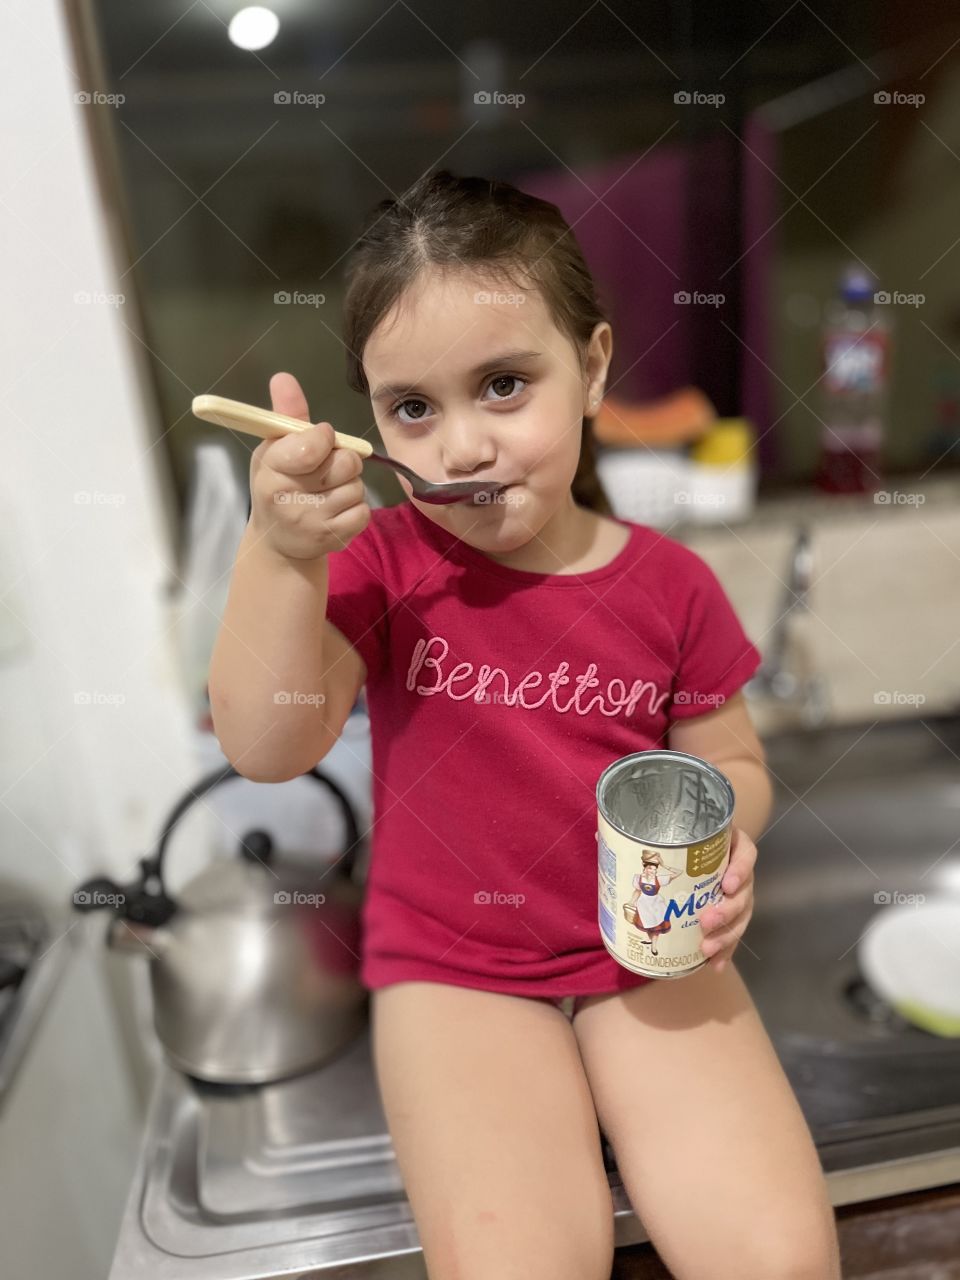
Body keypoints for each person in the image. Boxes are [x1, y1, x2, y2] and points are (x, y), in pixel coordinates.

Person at [209, 170, 841, 1280]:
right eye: (413, 407)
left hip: (650, 944)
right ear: (370, 417)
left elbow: (730, 757)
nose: (459, 447)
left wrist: (728, 836)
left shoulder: (671, 586)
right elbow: (268, 745)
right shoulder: (383, 568)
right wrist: (280, 553)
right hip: (454, 971)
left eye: (504, 384)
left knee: (778, 1256)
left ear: (592, 368)